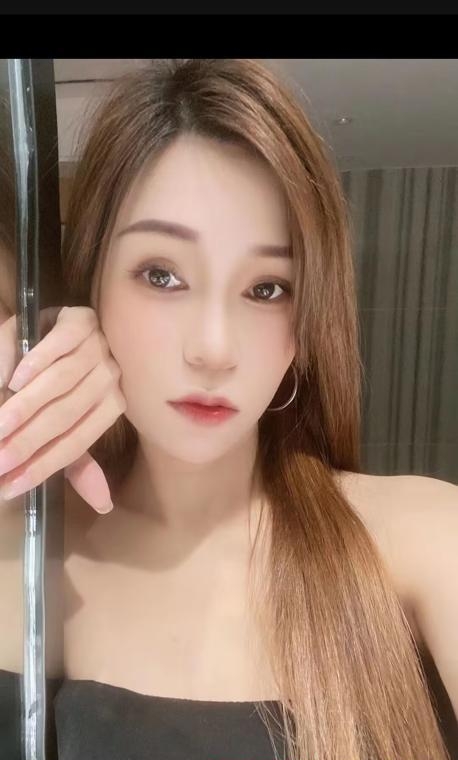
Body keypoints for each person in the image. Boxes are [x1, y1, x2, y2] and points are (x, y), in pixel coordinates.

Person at [0, 59, 456, 760]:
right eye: (162, 275)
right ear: (92, 287)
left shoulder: (420, 542)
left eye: (267, 288)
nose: (214, 349)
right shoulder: (30, 553)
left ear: (306, 324)